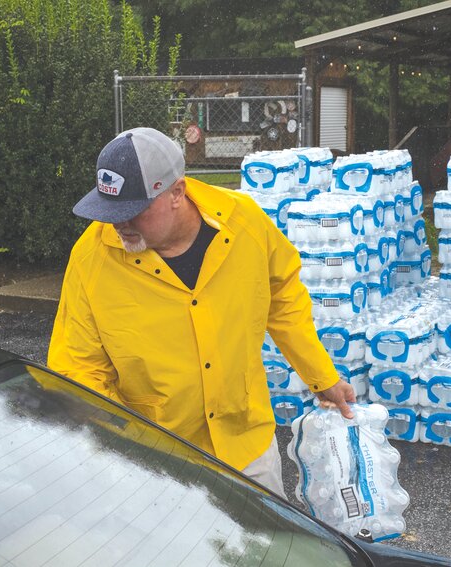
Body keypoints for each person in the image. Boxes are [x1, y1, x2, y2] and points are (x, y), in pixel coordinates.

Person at [48, 127, 354, 494]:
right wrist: (127, 449)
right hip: (158, 461)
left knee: (267, 548)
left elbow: (283, 300)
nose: (118, 223)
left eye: (133, 211)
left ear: (177, 191)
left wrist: (322, 376)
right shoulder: (91, 258)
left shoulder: (244, 225)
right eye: (111, 209)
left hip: (246, 445)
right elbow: (78, 369)